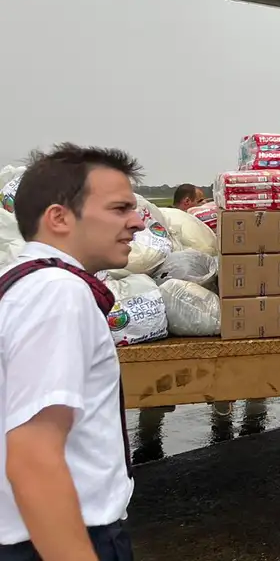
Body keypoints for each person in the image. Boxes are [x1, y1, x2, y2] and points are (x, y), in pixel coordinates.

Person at [0, 144, 145, 561]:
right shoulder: (58, 293)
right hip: (61, 536)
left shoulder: (21, 282)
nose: (136, 223)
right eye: (120, 209)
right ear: (59, 217)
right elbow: (34, 457)